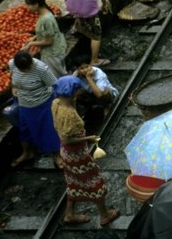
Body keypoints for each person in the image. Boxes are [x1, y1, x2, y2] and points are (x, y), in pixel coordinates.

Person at [50, 75, 120, 226]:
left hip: (67, 153)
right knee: (95, 182)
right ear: (74, 92)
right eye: (79, 89)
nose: (81, 91)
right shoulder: (68, 114)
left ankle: (69, 214)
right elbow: (67, 139)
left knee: (73, 182)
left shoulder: (57, 103)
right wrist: (88, 138)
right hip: (77, 155)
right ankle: (104, 215)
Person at [9, 51, 61, 168]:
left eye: (29, 67)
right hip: (24, 104)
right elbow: (13, 81)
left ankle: (57, 155)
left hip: (43, 103)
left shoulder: (41, 69)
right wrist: (14, 89)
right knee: (25, 129)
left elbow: (55, 85)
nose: (28, 70)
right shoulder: (12, 64)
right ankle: (27, 153)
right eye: (24, 69)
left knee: (49, 130)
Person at [57, 0, 108, 67]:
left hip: (71, 6)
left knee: (80, 10)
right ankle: (94, 60)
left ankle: (78, 27)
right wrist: (104, 4)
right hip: (87, 9)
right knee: (96, 34)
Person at [22, 0, 66, 77]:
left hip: (53, 53)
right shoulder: (44, 13)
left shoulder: (46, 19)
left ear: (36, 4)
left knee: (56, 77)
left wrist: (31, 44)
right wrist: (34, 38)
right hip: (53, 50)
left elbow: (49, 41)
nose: (27, 7)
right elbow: (46, 32)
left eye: (28, 5)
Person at [70, 53, 119, 118]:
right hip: (92, 96)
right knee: (75, 93)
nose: (85, 70)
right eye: (81, 68)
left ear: (90, 65)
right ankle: (86, 112)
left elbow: (99, 94)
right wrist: (73, 77)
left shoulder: (98, 73)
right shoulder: (77, 76)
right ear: (77, 69)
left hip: (108, 95)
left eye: (87, 66)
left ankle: (107, 106)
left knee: (104, 93)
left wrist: (88, 78)